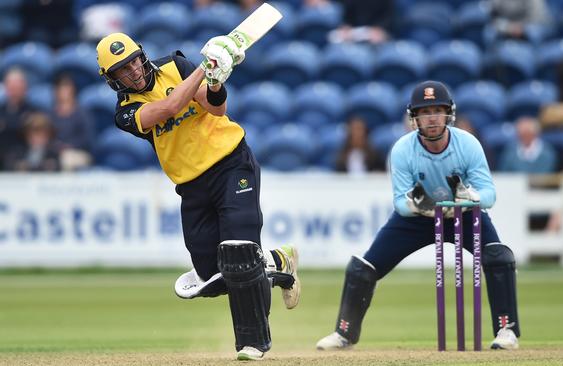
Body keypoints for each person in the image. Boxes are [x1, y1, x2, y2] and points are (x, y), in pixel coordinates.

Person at [95, 32, 300, 361]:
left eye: (134, 60)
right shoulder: (125, 114)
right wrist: (208, 67)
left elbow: (217, 109)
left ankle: (252, 343)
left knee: (239, 252)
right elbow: (170, 106)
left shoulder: (176, 66)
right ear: (112, 80)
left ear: (142, 56)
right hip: (191, 187)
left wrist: (217, 81)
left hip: (232, 163)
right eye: (123, 69)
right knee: (212, 276)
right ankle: (276, 262)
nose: (133, 70)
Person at [316, 81, 521, 351]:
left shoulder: (468, 144)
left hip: (464, 215)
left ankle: (506, 330)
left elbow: (489, 195)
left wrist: (470, 197)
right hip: (418, 219)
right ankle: (344, 333)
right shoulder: (403, 149)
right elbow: (401, 203)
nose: (432, 118)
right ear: (414, 117)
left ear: (449, 113)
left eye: (438, 110)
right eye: (425, 112)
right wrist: (420, 206)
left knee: (498, 256)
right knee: (362, 268)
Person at [50, 75, 95, 171]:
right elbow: (48, 135)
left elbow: (87, 138)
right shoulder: (52, 114)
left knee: (67, 159)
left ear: (73, 91)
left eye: (67, 88)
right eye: (61, 89)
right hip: (55, 152)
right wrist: (56, 147)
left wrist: (69, 146)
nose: (64, 92)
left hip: (79, 153)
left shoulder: (82, 113)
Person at [0, 68, 37, 170]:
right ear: (6, 88)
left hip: (24, 159)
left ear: (24, 88)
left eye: (17, 87)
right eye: (11, 87)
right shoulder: (1, 110)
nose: (14, 90)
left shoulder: (34, 111)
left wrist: (6, 125)